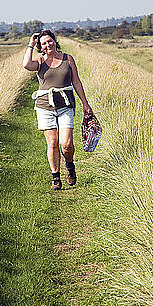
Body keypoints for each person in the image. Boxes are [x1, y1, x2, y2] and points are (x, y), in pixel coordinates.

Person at [22, 30, 93, 190]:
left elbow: (77, 82)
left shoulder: (68, 59)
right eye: (44, 43)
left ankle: (69, 164)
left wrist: (85, 104)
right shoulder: (39, 62)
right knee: (52, 142)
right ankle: (55, 177)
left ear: (55, 41)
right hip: (44, 106)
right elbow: (26, 64)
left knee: (66, 144)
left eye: (50, 41)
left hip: (66, 105)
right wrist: (31, 44)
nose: (48, 45)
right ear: (40, 46)